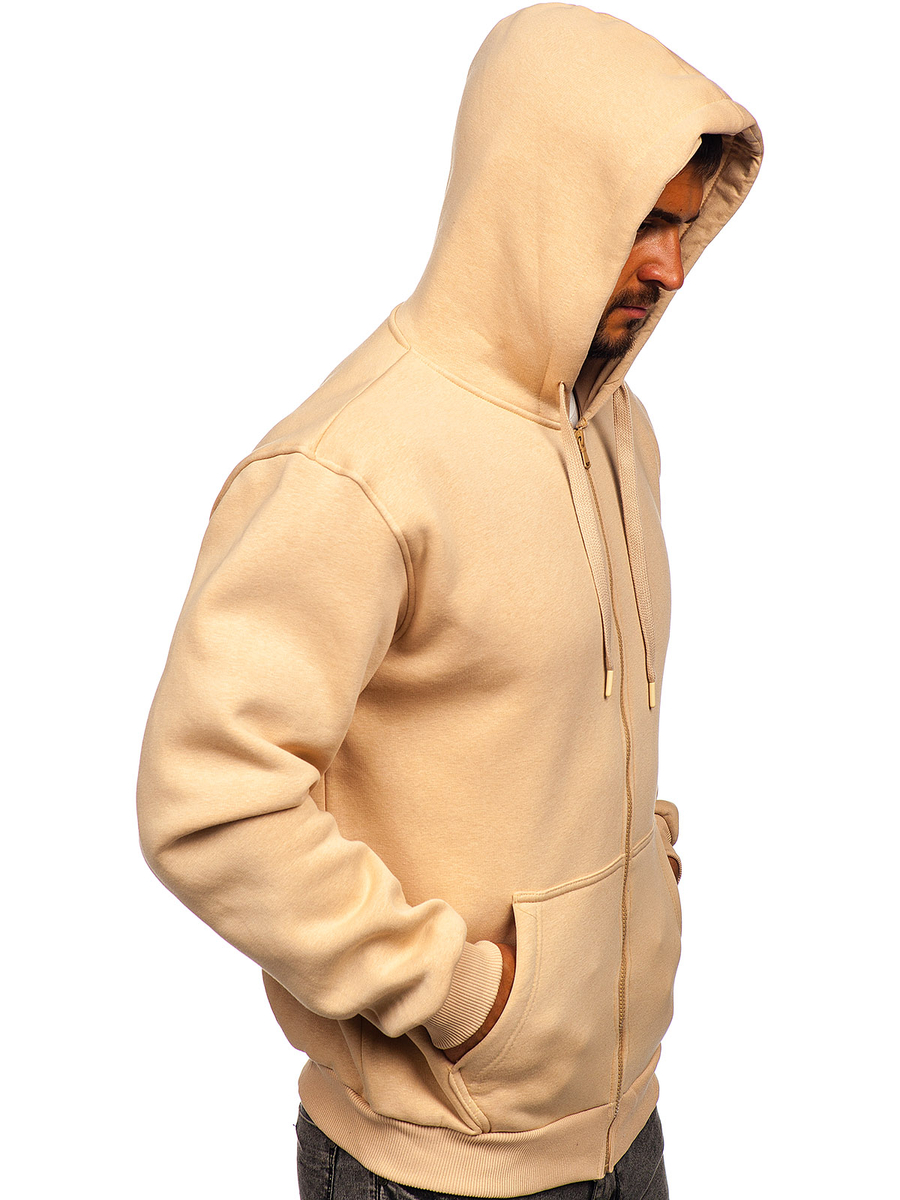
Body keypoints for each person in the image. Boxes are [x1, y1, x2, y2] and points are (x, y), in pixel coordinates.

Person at [137, 5, 762, 1197]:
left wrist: (645, 884)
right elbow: (208, 803)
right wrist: (468, 998)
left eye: (684, 226)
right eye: (641, 220)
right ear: (539, 200)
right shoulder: (357, 467)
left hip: (625, 1126)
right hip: (427, 1169)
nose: (670, 267)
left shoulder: (619, 433)